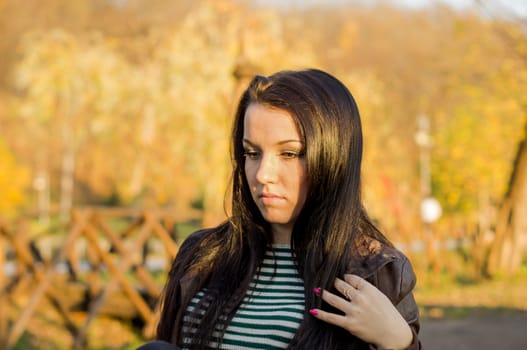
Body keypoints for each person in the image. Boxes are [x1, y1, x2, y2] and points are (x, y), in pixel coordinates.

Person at [156, 69, 421, 349]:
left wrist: (400, 342)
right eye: (252, 153)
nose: (262, 174)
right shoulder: (202, 255)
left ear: (334, 158)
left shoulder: (379, 271)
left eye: (289, 153)